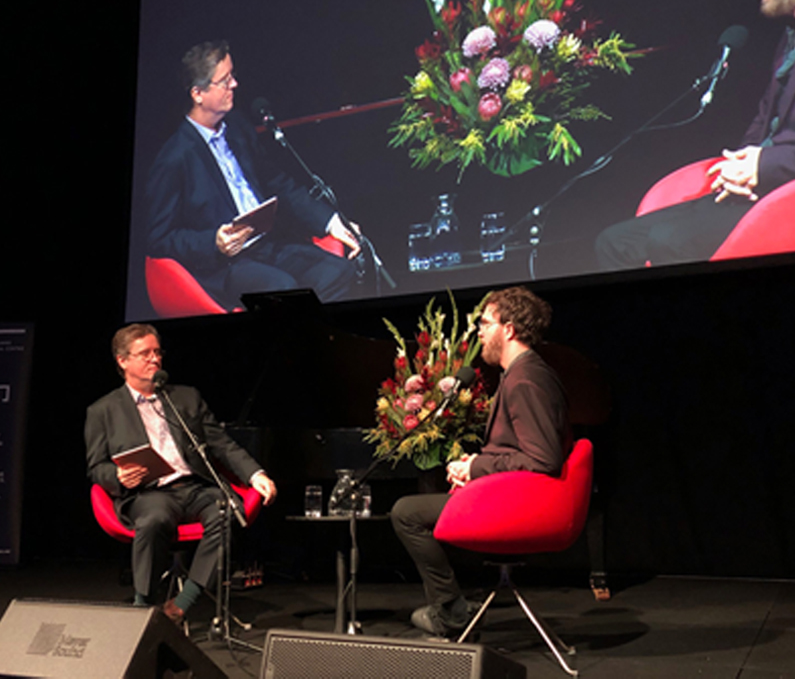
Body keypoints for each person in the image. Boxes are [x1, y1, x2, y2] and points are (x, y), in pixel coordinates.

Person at [596, 0, 795, 270]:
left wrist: (763, 166)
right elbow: (763, 119)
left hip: (785, 193)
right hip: (758, 189)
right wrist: (740, 163)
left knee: (669, 242)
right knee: (613, 242)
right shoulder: (789, 39)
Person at [391, 287, 569, 639]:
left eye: (485, 324)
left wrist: (477, 471)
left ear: (509, 329)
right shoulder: (521, 373)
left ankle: (452, 613)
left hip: (524, 504)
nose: (479, 332)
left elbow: (542, 459)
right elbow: (522, 448)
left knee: (405, 513)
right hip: (514, 492)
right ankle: (453, 610)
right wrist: (476, 462)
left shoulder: (525, 380)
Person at [85, 322, 276, 623]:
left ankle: (184, 601)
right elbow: (96, 467)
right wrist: (117, 476)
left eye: (157, 352)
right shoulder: (103, 410)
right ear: (123, 361)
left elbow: (221, 444)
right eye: (145, 354)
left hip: (195, 487)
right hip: (150, 492)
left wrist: (256, 475)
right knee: (153, 520)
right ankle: (142, 607)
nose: (154, 359)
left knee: (228, 512)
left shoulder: (186, 397)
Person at [146, 41, 362, 308]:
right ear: (198, 93)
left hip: (267, 246)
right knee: (283, 289)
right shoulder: (175, 158)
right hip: (226, 265)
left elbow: (278, 183)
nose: (234, 85)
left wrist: (330, 221)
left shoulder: (237, 127)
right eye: (224, 81)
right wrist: (212, 242)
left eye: (232, 76)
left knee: (338, 272)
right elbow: (160, 239)